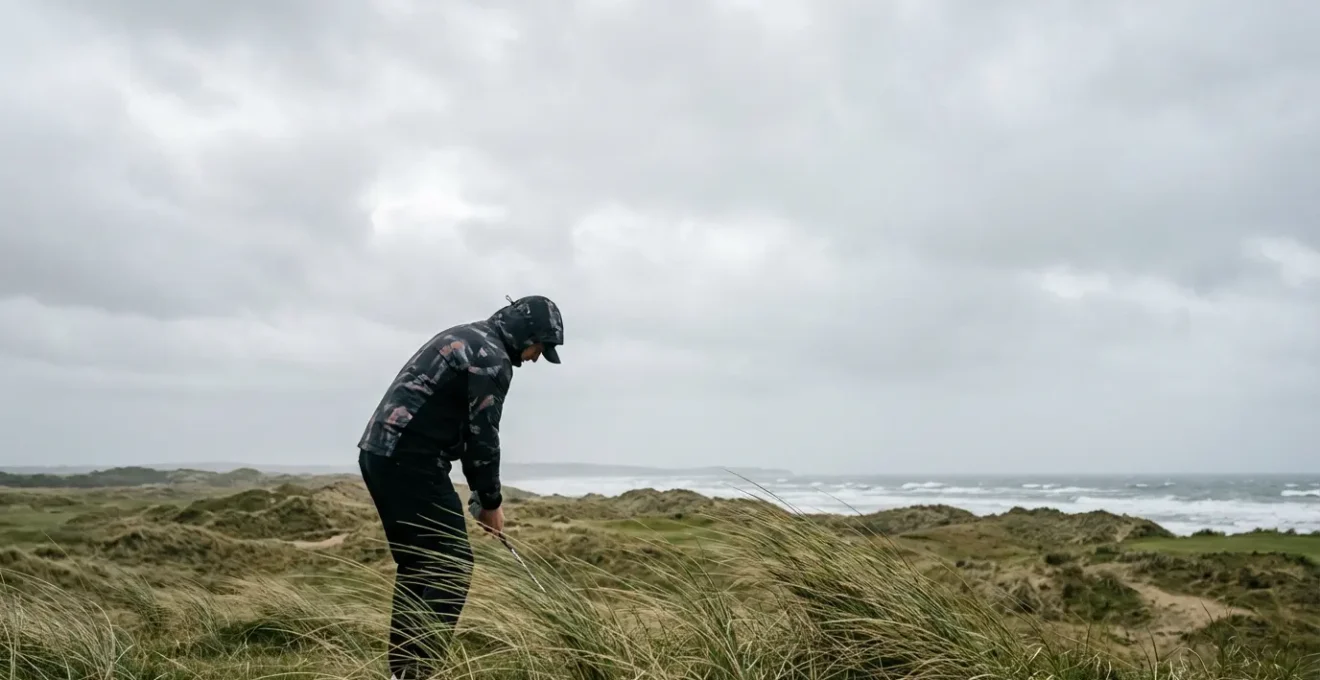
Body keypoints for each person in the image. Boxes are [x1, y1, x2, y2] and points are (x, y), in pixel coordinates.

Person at [356, 295, 564, 679]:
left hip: (381, 456)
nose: (536, 357)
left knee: (420, 565)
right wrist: (490, 501)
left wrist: (478, 494)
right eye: (541, 347)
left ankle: (404, 673)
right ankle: (419, 673)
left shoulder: (470, 336)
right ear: (528, 334)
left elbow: (466, 433)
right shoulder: (491, 358)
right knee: (451, 566)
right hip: (409, 460)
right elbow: (482, 436)